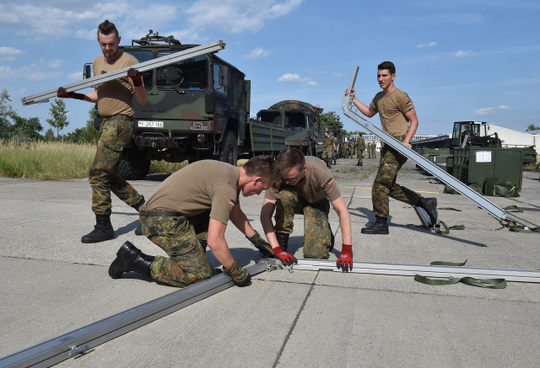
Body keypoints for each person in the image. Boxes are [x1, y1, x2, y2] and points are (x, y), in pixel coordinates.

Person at [108, 156, 284, 287]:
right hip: (159, 219)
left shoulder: (228, 173)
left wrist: (260, 243)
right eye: (263, 188)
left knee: (213, 210)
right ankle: (134, 260)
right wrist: (236, 272)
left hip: (166, 214)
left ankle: (194, 257)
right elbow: (215, 241)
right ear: (257, 180)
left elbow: (236, 213)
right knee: (199, 276)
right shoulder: (226, 188)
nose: (261, 193)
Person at [56, 20, 148, 243]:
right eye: (104, 44)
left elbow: (142, 100)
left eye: (112, 43)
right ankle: (148, 213)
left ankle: (103, 225)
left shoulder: (129, 61)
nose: (108, 48)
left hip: (121, 122)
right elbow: (100, 95)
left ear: (119, 40)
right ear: (98, 41)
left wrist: (137, 81)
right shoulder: (97, 63)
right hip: (106, 122)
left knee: (97, 174)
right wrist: (76, 96)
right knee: (111, 176)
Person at [345, 61, 437, 234]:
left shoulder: (400, 96)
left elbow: (414, 120)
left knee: (379, 184)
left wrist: (406, 142)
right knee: (388, 185)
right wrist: (353, 99)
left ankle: (381, 222)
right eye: (379, 76)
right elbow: (369, 112)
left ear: (393, 76)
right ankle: (424, 202)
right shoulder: (379, 97)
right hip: (387, 143)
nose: (381, 79)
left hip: (399, 142)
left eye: (384, 75)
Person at [260, 148, 354, 272]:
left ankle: (325, 231)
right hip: (294, 201)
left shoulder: (319, 170)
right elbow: (265, 214)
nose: (287, 181)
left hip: (317, 203)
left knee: (314, 256)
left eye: (291, 179)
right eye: (285, 179)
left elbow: (342, 210)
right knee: (284, 196)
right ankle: (282, 241)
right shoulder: (278, 175)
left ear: (304, 169)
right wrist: (276, 249)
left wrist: (346, 249)